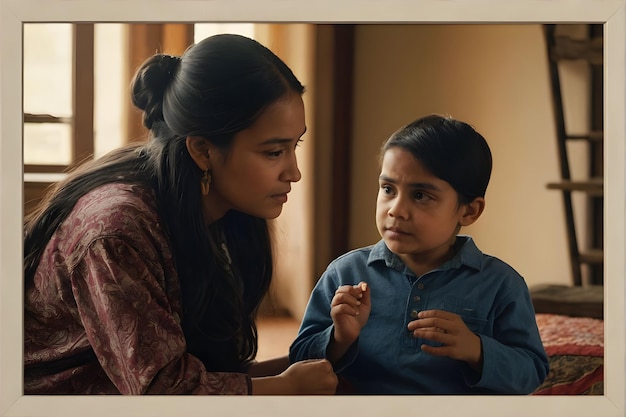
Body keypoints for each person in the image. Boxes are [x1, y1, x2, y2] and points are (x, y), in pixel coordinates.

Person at [23, 33, 337, 395]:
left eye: (293, 145)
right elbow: (165, 393)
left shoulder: (215, 208)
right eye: (273, 152)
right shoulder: (115, 230)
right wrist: (287, 389)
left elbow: (207, 369)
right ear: (202, 150)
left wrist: (325, 353)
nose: (294, 172)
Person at [289, 114, 549, 394]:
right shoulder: (345, 274)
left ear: (468, 210)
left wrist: (477, 350)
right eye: (388, 189)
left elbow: (532, 372)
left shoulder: (501, 285)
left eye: (421, 195)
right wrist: (340, 337)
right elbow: (299, 362)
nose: (396, 210)